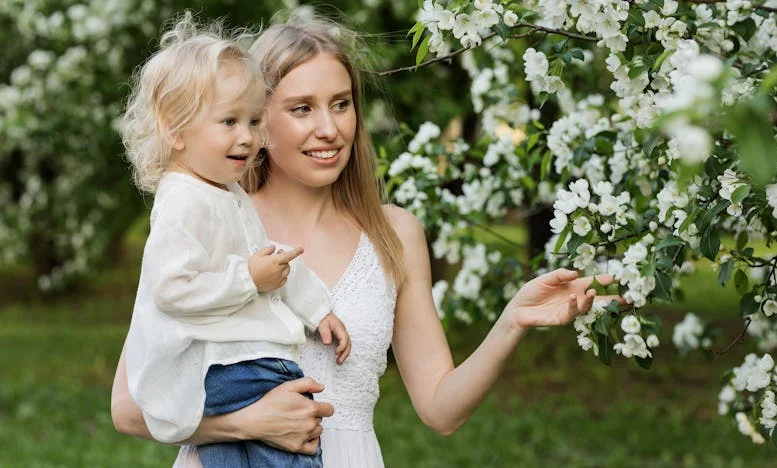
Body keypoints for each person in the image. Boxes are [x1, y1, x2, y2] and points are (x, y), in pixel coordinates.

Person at [111, 14, 620, 468]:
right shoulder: (210, 216)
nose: (329, 128)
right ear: (258, 116)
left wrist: (513, 320)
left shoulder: (394, 232)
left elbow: (441, 410)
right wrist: (245, 424)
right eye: (302, 109)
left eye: (341, 104)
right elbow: (129, 408)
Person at [119, 13, 350, 468]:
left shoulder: (223, 191)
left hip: (224, 368)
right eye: (228, 121)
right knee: (292, 440)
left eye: (252, 120)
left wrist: (316, 306)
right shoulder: (184, 200)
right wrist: (247, 279)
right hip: (230, 367)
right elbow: (173, 288)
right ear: (174, 128)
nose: (247, 137)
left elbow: (272, 260)